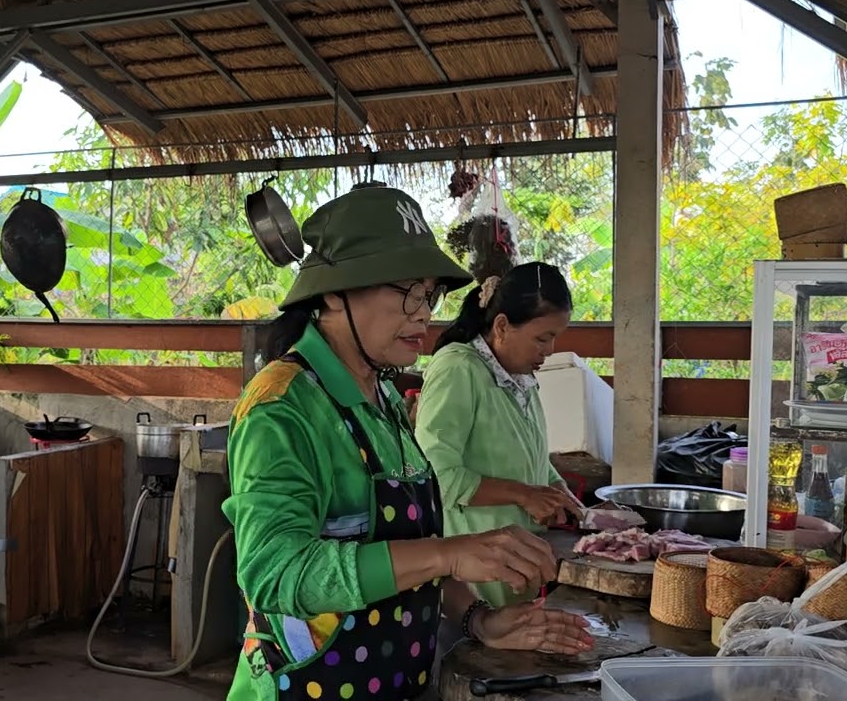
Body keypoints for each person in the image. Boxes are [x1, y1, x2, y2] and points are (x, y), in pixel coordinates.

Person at [223, 187, 593, 701]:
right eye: (407, 292)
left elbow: (414, 562)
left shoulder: (385, 403)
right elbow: (276, 574)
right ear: (334, 293)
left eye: (429, 295)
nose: (423, 315)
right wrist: (448, 553)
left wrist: (479, 621)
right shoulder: (281, 408)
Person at [414, 262, 578, 608]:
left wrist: (556, 489)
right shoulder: (458, 368)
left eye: (554, 338)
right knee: (473, 645)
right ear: (502, 326)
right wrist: (524, 495)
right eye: (542, 338)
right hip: (471, 580)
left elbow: (530, 455)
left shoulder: (520, 376)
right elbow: (436, 478)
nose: (549, 350)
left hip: (515, 563)